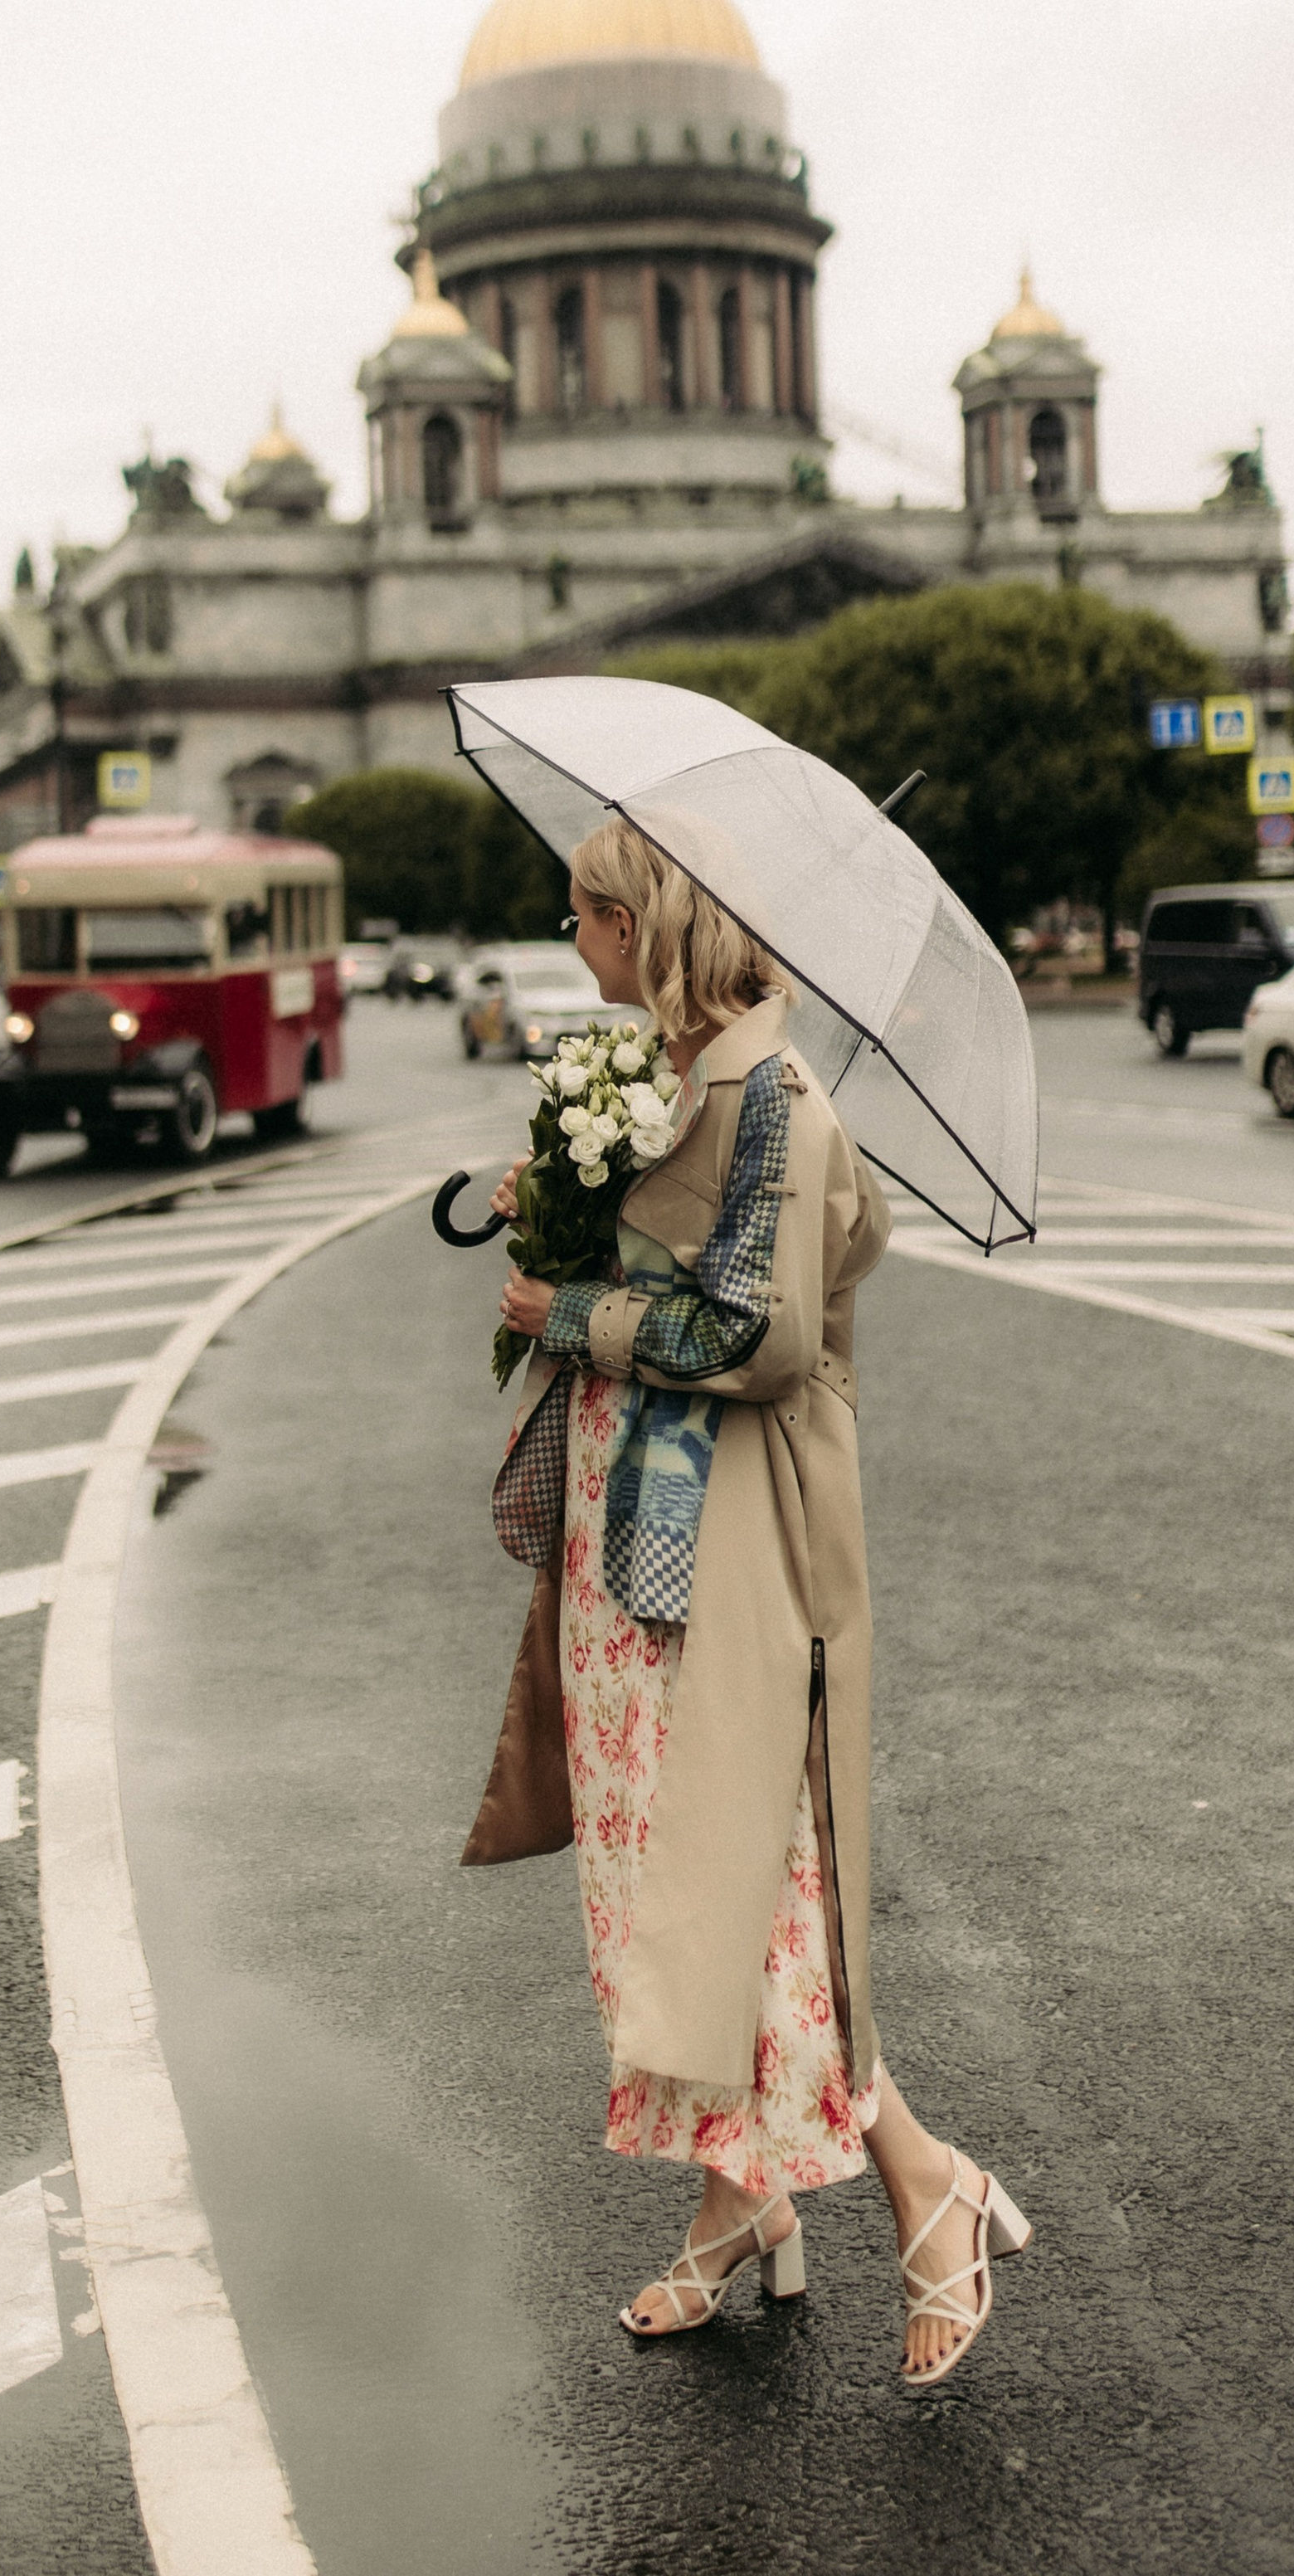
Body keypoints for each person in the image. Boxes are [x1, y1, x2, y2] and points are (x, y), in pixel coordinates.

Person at [471, 816, 1030, 2389]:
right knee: (678, 1895)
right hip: (640, 1551)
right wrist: (569, 1203)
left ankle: (933, 2187)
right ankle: (741, 2208)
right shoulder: (688, 1076)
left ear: (648, 925)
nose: (571, 939)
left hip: (716, 1556)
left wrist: (570, 1306)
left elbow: (768, 1337)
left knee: (746, 1901)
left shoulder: (770, 1095)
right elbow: (723, 1265)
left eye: (584, 915)